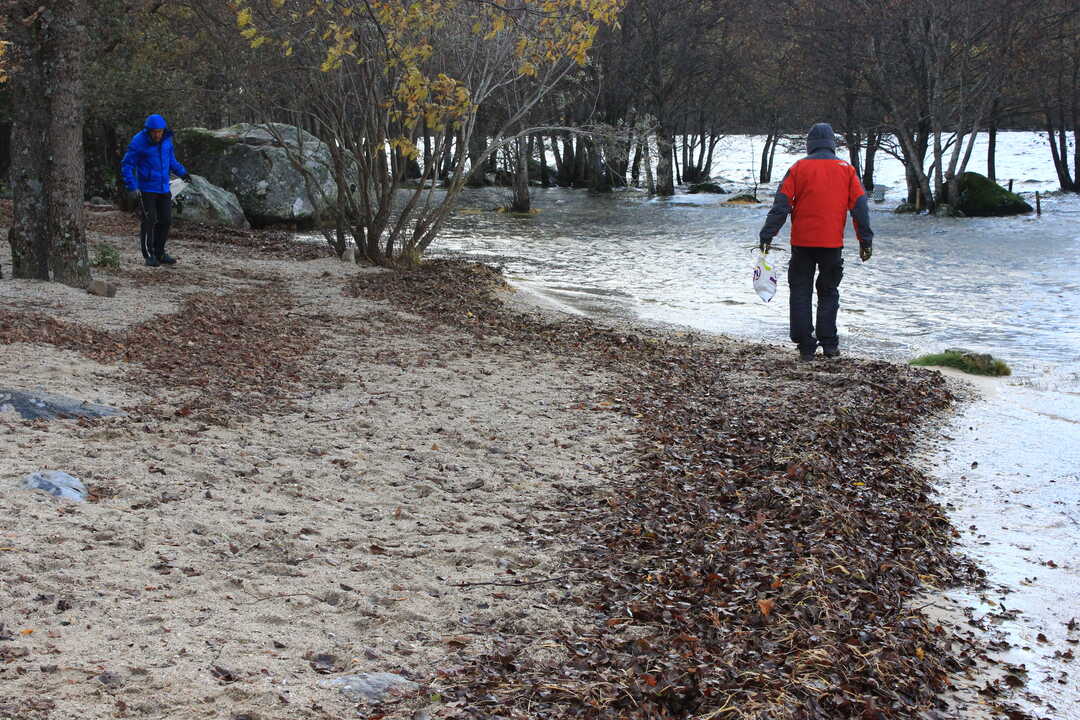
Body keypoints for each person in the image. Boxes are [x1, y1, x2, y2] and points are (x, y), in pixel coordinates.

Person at [758, 122, 874, 361]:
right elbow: (860, 207)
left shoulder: (798, 168)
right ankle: (829, 344)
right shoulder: (847, 170)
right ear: (832, 144)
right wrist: (865, 240)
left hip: (802, 243)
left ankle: (805, 345)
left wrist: (767, 235)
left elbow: (781, 205)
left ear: (809, 144)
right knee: (829, 291)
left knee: (800, 291)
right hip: (832, 244)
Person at [121, 114, 190, 267]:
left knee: (166, 220)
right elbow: (127, 165)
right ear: (148, 130)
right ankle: (149, 255)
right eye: (154, 132)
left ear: (163, 130)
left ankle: (160, 252)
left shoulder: (167, 140)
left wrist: (183, 173)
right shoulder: (139, 141)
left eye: (160, 131)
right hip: (147, 188)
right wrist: (132, 186)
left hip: (164, 187)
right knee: (149, 220)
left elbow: (171, 160)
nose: (157, 135)